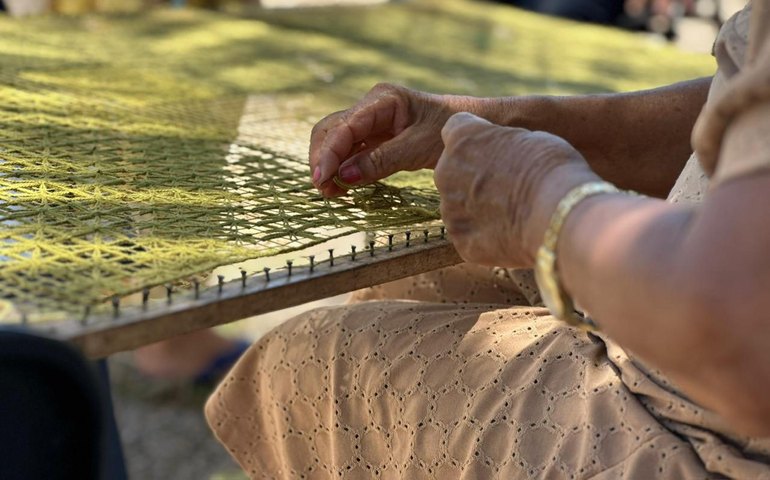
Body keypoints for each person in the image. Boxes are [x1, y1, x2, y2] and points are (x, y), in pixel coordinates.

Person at [206, 2, 770, 478]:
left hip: (711, 428)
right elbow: (744, 107)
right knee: (426, 269)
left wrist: (545, 202)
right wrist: (506, 121)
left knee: (311, 363)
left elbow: (742, 340)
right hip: (696, 316)